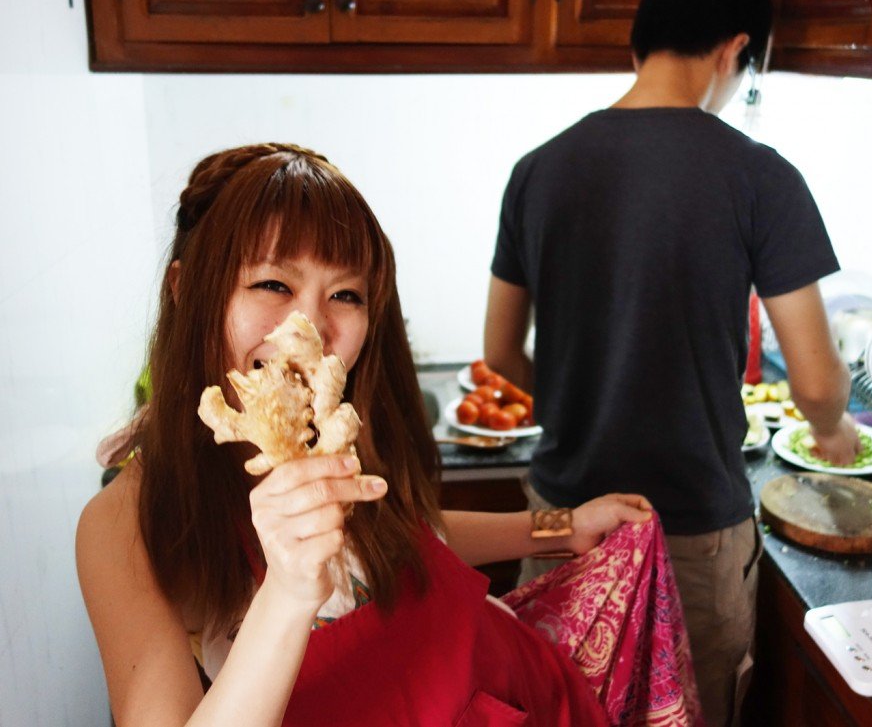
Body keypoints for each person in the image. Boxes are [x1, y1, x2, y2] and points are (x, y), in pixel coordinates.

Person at [76, 143, 655, 727]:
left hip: (529, 693)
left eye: (345, 295)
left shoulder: (339, 433)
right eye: (272, 283)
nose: (312, 326)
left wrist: (561, 527)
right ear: (185, 288)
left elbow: (405, 539)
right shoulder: (126, 521)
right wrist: (288, 591)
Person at [483, 0, 859, 727]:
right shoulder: (760, 177)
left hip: (558, 520)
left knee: (551, 712)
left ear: (640, 42)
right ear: (735, 50)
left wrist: (579, 399)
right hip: (691, 532)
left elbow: (500, 354)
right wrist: (833, 431)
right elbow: (818, 383)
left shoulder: (537, 169)